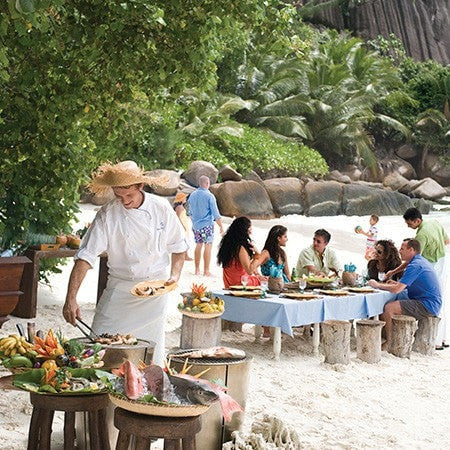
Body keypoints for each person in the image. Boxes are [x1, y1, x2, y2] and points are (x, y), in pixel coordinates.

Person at [63, 161, 188, 365]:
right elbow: (85, 257)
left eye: (129, 195)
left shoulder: (161, 208)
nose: (124, 201)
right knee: (100, 347)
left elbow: (179, 247)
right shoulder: (107, 214)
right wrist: (71, 298)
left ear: (140, 186)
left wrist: (174, 277)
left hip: (154, 293)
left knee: (149, 354)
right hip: (119, 289)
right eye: (118, 196)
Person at [385, 208, 449, 349]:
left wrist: (390, 275)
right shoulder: (435, 223)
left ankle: (390, 341)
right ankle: (442, 339)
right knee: (441, 302)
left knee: (431, 302)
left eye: (409, 223)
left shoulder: (421, 236)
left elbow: (411, 260)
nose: (408, 226)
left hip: (433, 265)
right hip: (441, 263)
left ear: (417, 221)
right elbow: (447, 241)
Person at [368, 238, 442, 351]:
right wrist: (393, 273)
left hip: (427, 305)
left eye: (402, 249)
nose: (399, 251)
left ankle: (390, 342)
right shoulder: (418, 260)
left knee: (389, 308)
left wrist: (377, 285)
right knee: (388, 301)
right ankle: (385, 335)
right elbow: (406, 264)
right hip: (424, 299)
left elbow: (397, 289)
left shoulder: (415, 265)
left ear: (411, 250)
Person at [188, 175, 224, 276]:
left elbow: (190, 212)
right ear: (207, 184)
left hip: (196, 225)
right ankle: (206, 271)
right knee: (208, 245)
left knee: (198, 245)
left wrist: (195, 222)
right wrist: (221, 226)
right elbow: (216, 213)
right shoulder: (209, 196)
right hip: (206, 225)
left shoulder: (192, 195)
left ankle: (197, 270)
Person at [173, 191, 193, 261]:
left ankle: (186, 255)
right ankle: (186, 256)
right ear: (181, 199)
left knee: (185, 241)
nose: (185, 199)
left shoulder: (179, 207)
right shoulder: (180, 208)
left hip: (184, 224)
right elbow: (178, 218)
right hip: (182, 225)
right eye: (184, 198)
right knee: (185, 241)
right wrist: (182, 226)